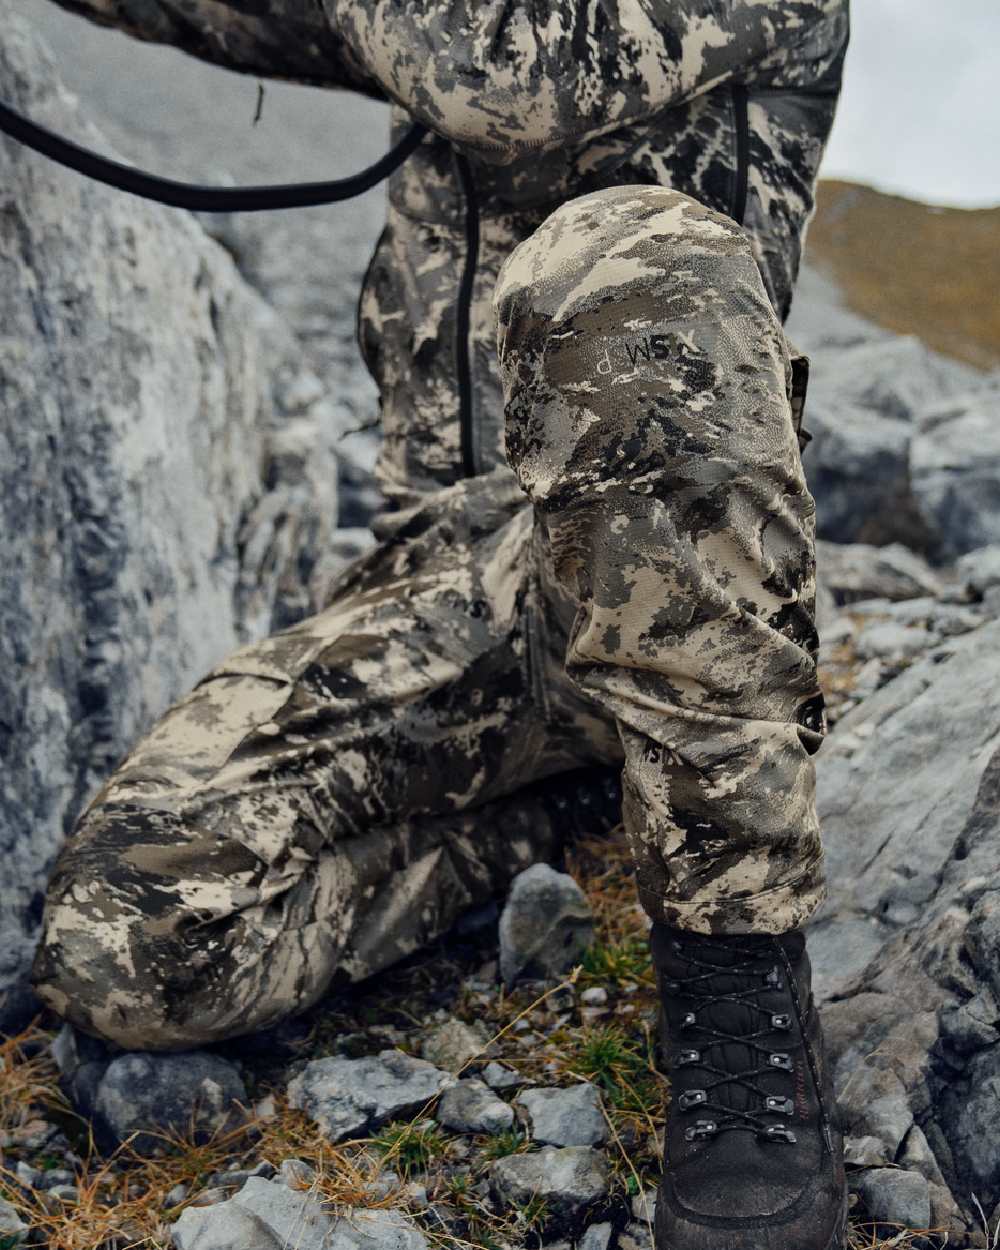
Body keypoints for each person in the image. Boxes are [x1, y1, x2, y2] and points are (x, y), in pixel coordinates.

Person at [30, 4, 851, 1247]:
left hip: (660, 585)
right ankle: (554, 809)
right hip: (446, 597)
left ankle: (736, 965)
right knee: (124, 939)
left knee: (626, 249)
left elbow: (492, 74)